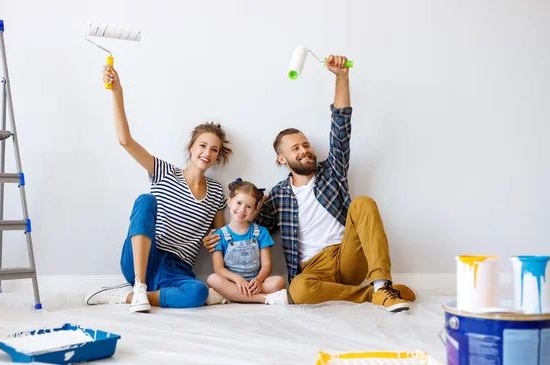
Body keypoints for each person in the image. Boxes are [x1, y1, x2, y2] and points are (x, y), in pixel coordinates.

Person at [205, 55, 416, 312]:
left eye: (305, 145)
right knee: (298, 290)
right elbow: (249, 229)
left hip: (347, 254)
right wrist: (216, 237)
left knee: (363, 203)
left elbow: (341, 125)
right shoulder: (278, 197)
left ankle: (382, 285)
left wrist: (341, 76)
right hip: (313, 268)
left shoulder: (332, 172)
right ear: (282, 158)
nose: (304, 150)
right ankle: (373, 295)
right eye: (295, 148)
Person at [85, 65, 231, 312]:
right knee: (145, 200)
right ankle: (139, 285)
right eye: (202, 146)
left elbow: (218, 236)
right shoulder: (165, 172)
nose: (207, 153)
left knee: (198, 291)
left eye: (214, 149)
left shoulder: (216, 191)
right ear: (191, 148)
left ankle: (130, 297)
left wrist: (213, 239)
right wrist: (117, 92)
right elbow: (125, 141)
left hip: (176, 270)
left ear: (217, 156)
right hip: (145, 257)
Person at [205, 179, 288, 306]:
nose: (242, 209)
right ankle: (263, 298)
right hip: (232, 282)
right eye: (238, 203)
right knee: (213, 279)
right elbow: (219, 268)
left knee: (279, 282)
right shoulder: (219, 235)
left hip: (254, 283)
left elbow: (266, 265)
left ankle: (229, 296)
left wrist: (259, 280)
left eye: (249, 206)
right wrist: (237, 279)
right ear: (229, 202)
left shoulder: (261, 232)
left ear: (255, 209)